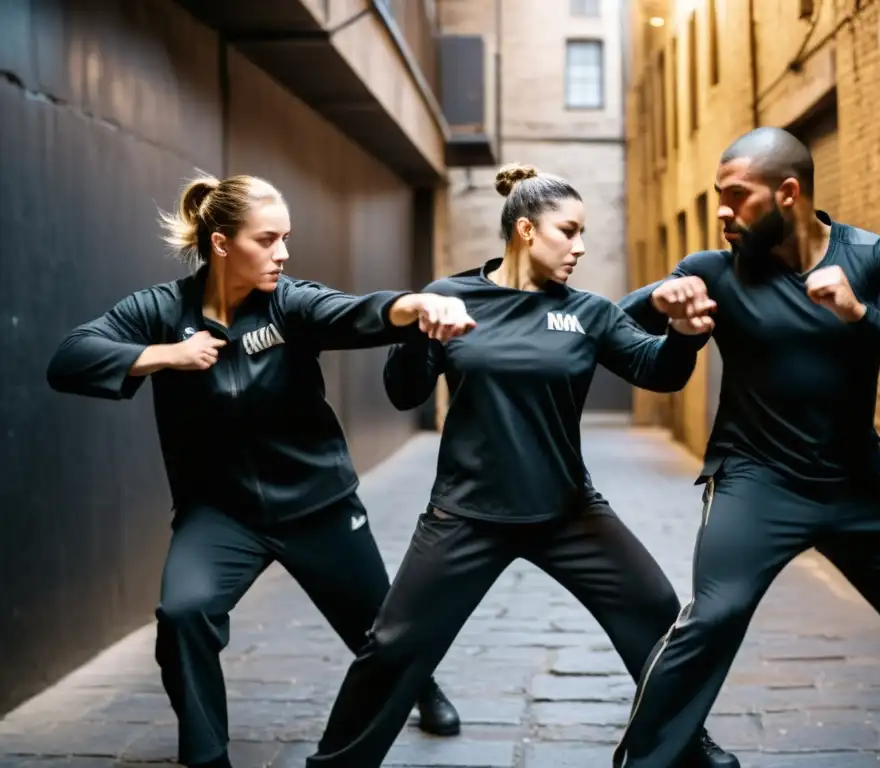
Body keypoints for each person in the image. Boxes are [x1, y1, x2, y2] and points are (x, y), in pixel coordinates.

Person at [302, 163, 741, 768]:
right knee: (393, 648)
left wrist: (686, 337)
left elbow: (655, 371)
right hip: (467, 512)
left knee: (659, 617)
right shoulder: (452, 296)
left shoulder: (588, 312)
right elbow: (403, 394)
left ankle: (684, 743)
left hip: (567, 510)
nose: (581, 247)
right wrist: (417, 329)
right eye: (570, 231)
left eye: (585, 232)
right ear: (527, 230)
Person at [45, 174, 477, 768]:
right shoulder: (160, 311)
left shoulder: (290, 303)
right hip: (219, 514)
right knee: (183, 614)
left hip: (317, 506)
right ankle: (206, 756)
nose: (283, 253)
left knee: (381, 633)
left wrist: (417, 305)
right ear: (222, 243)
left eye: (287, 239)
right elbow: (69, 358)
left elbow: (357, 313)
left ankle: (424, 689)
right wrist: (166, 356)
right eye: (268, 239)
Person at [610, 127, 880, 768]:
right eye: (717, 197)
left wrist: (862, 315)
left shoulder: (875, 260)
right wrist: (658, 298)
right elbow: (616, 331)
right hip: (756, 480)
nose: (722, 212)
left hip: (860, 481)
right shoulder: (713, 270)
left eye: (737, 197)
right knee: (713, 616)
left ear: (788, 193)